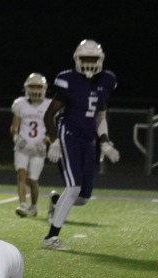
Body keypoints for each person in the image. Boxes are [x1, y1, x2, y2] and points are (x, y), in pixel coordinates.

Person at [42, 39, 119, 250]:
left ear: (101, 60)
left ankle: (56, 202)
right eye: (85, 58)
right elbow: (49, 115)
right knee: (74, 187)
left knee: (83, 197)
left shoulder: (107, 80)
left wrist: (105, 142)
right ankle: (50, 238)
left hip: (88, 138)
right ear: (77, 59)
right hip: (69, 134)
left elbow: (100, 114)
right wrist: (54, 140)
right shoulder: (68, 79)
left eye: (93, 59)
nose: (89, 63)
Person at [9, 73, 52, 218]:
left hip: (38, 148)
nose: (35, 90)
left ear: (44, 88)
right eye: (32, 86)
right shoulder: (20, 103)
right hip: (23, 147)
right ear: (26, 88)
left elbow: (53, 130)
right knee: (21, 175)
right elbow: (14, 127)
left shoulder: (49, 105)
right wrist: (17, 138)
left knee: (33, 180)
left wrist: (45, 141)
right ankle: (22, 205)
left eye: (38, 87)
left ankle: (33, 206)